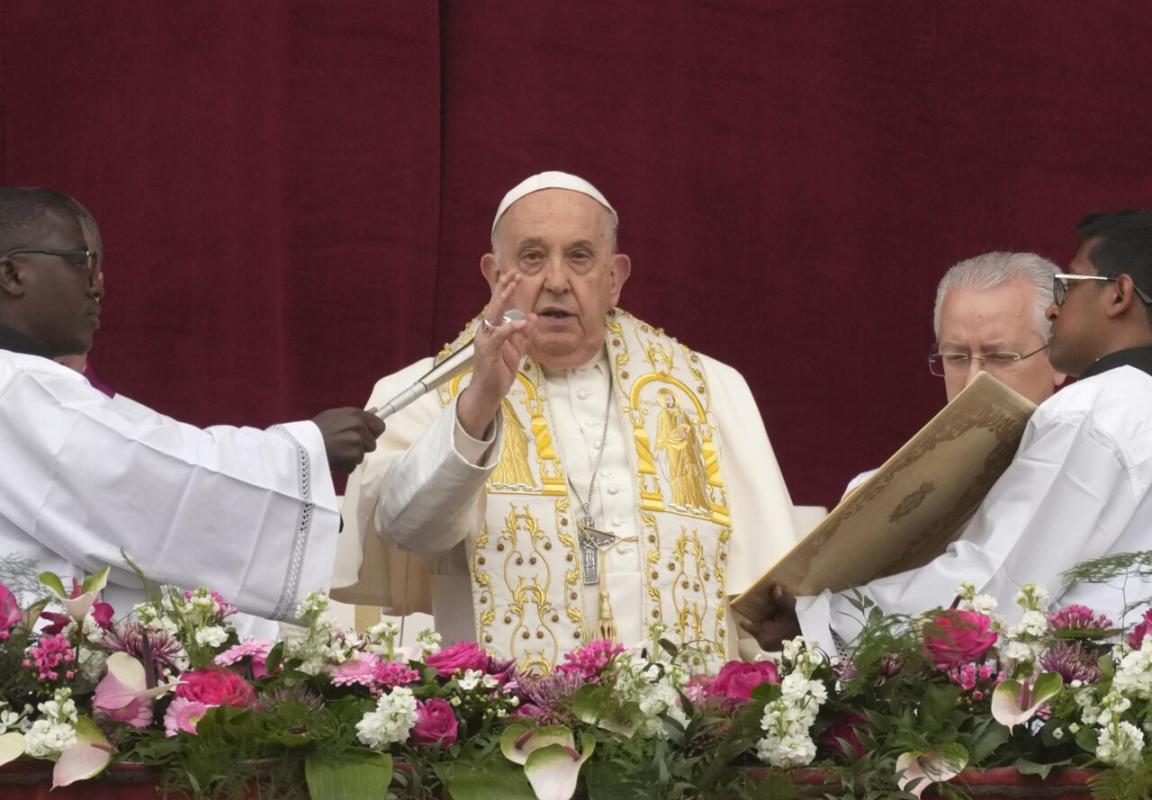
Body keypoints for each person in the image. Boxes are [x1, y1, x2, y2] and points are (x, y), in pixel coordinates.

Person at [337, 171, 797, 672]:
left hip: (687, 732)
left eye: (580, 256)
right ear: (493, 275)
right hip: (508, 735)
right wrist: (480, 400)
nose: (556, 281)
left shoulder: (710, 391)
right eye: (532, 257)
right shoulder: (424, 393)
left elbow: (766, 597)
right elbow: (410, 531)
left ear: (615, 278)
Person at [751, 211, 1152, 655]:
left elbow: (994, 587)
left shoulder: (1092, 410)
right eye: (956, 357)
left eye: (1069, 285)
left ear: (1119, 295)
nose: (1056, 308)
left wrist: (817, 619)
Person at [0, 186, 386, 621]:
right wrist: (303, 451)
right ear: (13, 275)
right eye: (81, 262)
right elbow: (143, 479)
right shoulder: (13, 386)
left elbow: (147, 447)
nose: (96, 287)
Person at [843, 251, 1067, 495]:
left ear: (1059, 359)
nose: (973, 382)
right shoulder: (878, 494)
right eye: (957, 358)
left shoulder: (1098, 483)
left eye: (1000, 357)